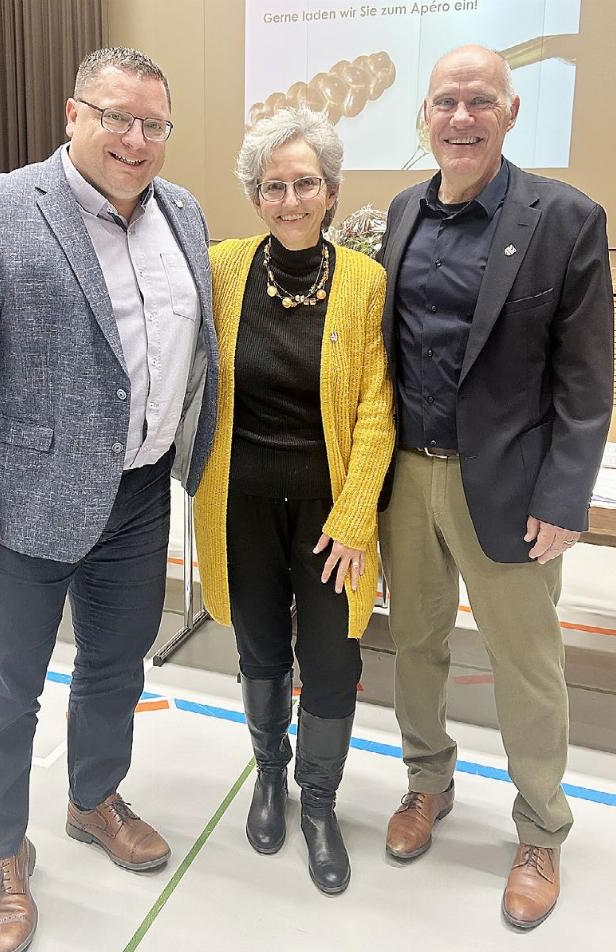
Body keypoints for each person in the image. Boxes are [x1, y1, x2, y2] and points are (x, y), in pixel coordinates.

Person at [0, 47, 217, 952]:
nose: (136, 139)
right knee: (3, 689)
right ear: (73, 114)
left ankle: (93, 799)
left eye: (154, 124)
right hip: (18, 506)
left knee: (117, 669)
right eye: (116, 117)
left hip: (138, 496)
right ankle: (1, 853)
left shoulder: (185, 213)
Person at [377, 45, 613, 929]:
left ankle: (541, 828)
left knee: (527, 667)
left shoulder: (566, 219)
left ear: (512, 113)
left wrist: (564, 499)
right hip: (410, 479)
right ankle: (426, 783)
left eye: (480, 100)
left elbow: (588, 381)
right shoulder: (402, 211)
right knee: (418, 648)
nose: (462, 116)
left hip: (511, 489)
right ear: (425, 118)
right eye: (446, 101)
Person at [194, 107, 394, 895]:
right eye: (273, 185)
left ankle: (319, 803)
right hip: (238, 504)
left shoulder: (365, 282)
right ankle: (269, 776)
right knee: (260, 651)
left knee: (334, 661)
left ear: (332, 191)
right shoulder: (223, 269)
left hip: (328, 518)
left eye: (304, 183)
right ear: (255, 196)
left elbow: (379, 406)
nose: (289, 199)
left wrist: (352, 518)